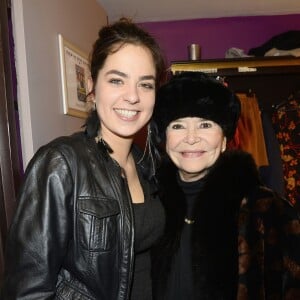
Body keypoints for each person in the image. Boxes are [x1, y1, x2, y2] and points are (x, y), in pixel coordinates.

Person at [1, 18, 166, 300]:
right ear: (92, 86)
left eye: (146, 85)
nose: (133, 96)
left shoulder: (148, 164)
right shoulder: (60, 164)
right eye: (117, 80)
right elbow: (26, 293)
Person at [151, 72, 300, 299]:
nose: (191, 138)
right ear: (165, 137)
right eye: (178, 125)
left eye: (205, 124)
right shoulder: (149, 203)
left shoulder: (266, 210)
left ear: (224, 139)